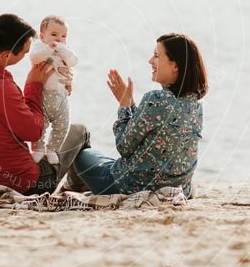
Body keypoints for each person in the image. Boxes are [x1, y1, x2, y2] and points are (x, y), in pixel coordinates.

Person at [0, 13, 90, 195]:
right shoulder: (2, 87)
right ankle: (75, 187)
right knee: (79, 130)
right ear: (6, 55)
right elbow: (33, 132)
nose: (26, 57)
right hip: (26, 184)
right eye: (24, 53)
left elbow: (8, 114)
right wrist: (34, 85)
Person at [72, 33, 208, 196]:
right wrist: (130, 104)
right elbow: (151, 132)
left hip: (128, 187)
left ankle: (71, 186)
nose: (150, 61)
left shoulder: (155, 99)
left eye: (157, 56)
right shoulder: (196, 106)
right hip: (179, 190)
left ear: (175, 66)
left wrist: (124, 105)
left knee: (80, 153)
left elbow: (124, 146)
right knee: (106, 160)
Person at [29, 15, 79, 165]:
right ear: (42, 36)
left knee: (63, 125)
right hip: (44, 96)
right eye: (54, 35)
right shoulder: (40, 47)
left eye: (63, 36)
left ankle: (52, 148)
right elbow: (35, 58)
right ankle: (38, 149)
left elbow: (74, 61)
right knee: (40, 126)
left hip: (61, 97)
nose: (59, 39)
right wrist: (48, 49)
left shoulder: (65, 50)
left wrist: (63, 50)